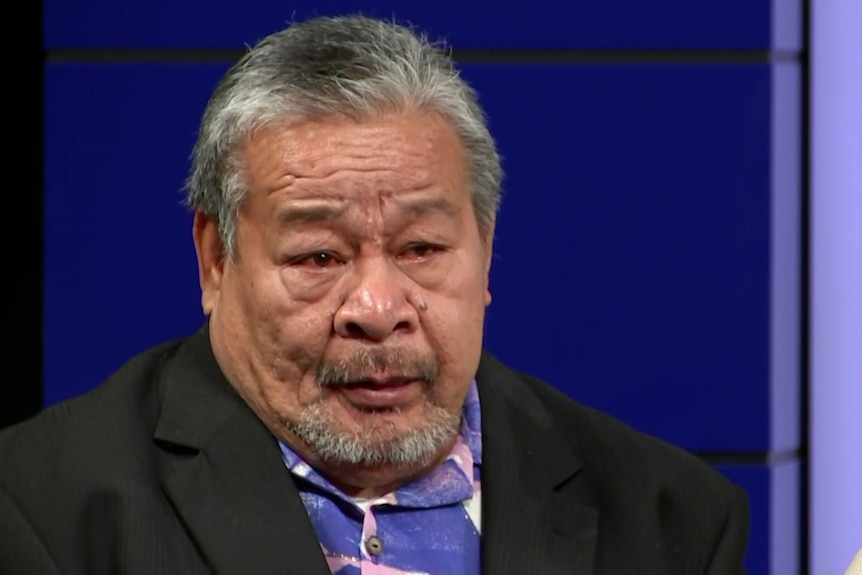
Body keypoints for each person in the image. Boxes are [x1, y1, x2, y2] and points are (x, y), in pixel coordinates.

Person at [0, 14, 749, 574]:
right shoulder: (39, 511)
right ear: (215, 258)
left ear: (486, 250)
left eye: (421, 248)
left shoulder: (669, 519)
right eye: (319, 255)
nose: (377, 307)